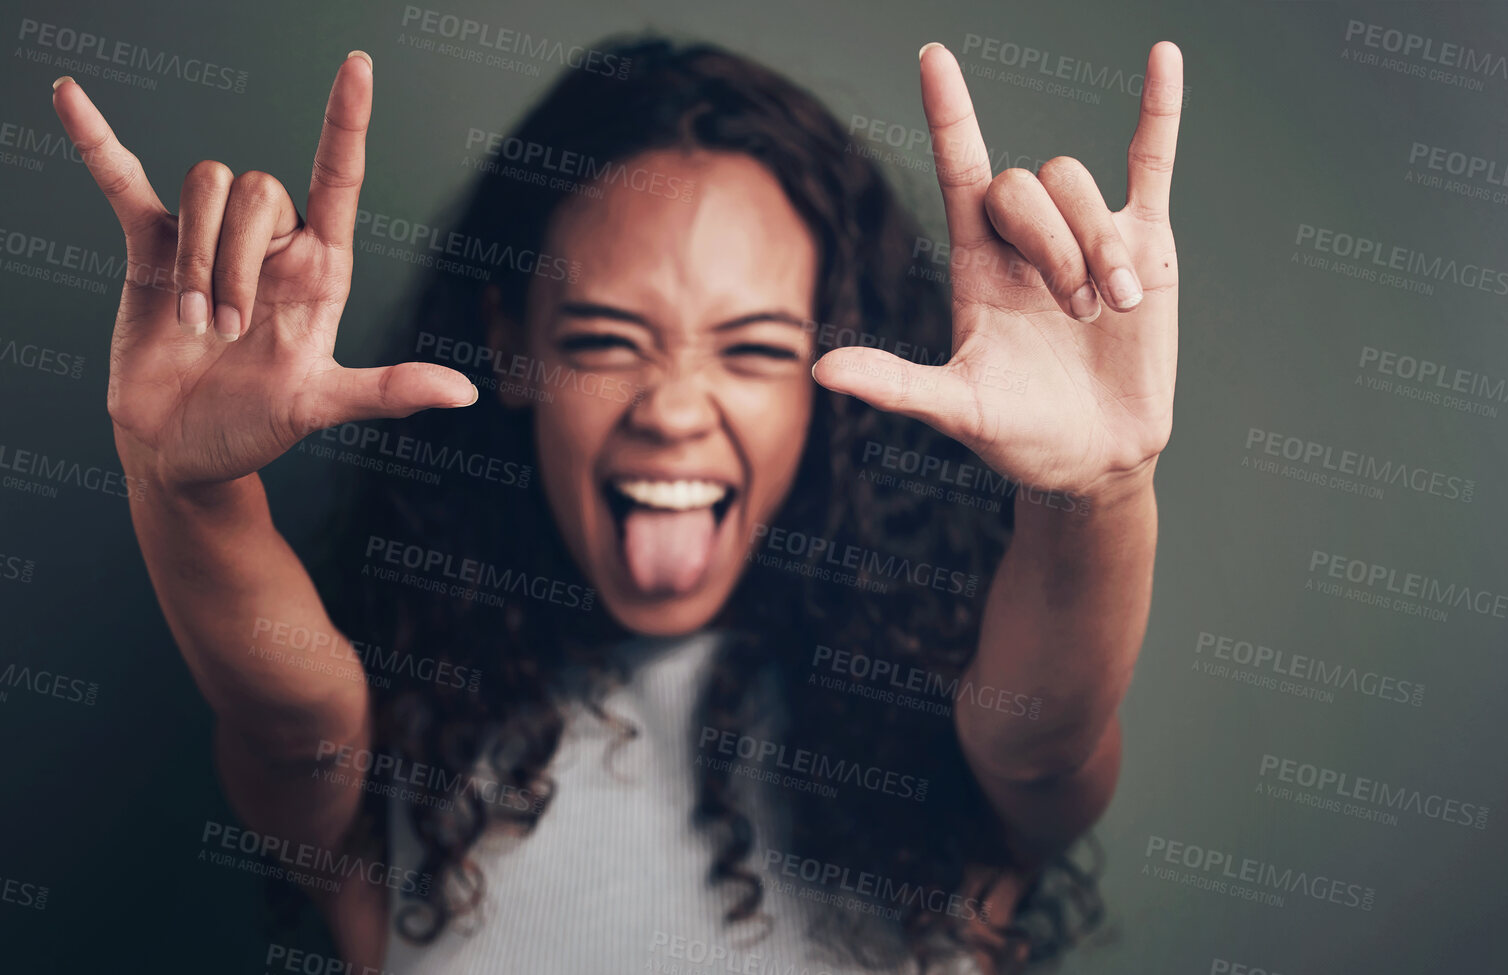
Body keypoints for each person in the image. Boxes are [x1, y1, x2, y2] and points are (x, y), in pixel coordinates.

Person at [51, 32, 1183, 975]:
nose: (674, 410)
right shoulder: (406, 758)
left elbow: (1045, 747)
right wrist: (183, 491)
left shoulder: (931, 753)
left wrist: (1101, 488)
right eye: (604, 339)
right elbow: (288, 723)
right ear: (512, 338)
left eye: (752, 348)